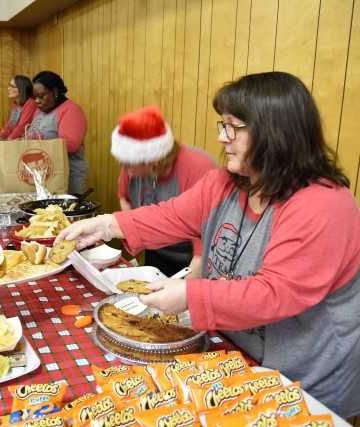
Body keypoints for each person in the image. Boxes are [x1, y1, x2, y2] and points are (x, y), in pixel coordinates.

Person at [56, 71, 360, 417]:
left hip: (306, 376)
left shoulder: (324, 204)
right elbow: (170, 215)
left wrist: (189, 294)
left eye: (233, 127)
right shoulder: (225, 183)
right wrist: (106, 225)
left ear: (275, 132)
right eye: (222, 124)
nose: (221, 137)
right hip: (236, 352)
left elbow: (274, 293)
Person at [111, 105, 217, 277]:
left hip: (194, 261)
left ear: (151, 159)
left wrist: (182, 289)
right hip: (157, 252)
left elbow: (206, 244)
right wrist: (135, 236)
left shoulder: (199, 168)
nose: (125, 170)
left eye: (129, 165)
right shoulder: (130, 164)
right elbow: (125, 197)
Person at [26, 71, 88, 194]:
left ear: (54, 92)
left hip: (68, 175)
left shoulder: (71, 110)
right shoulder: (38, 113)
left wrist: (37, 148)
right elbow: (29, 135)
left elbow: (70, 144)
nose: (37, 101)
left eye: (41, 96)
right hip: (44, 175)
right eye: (34, 97)